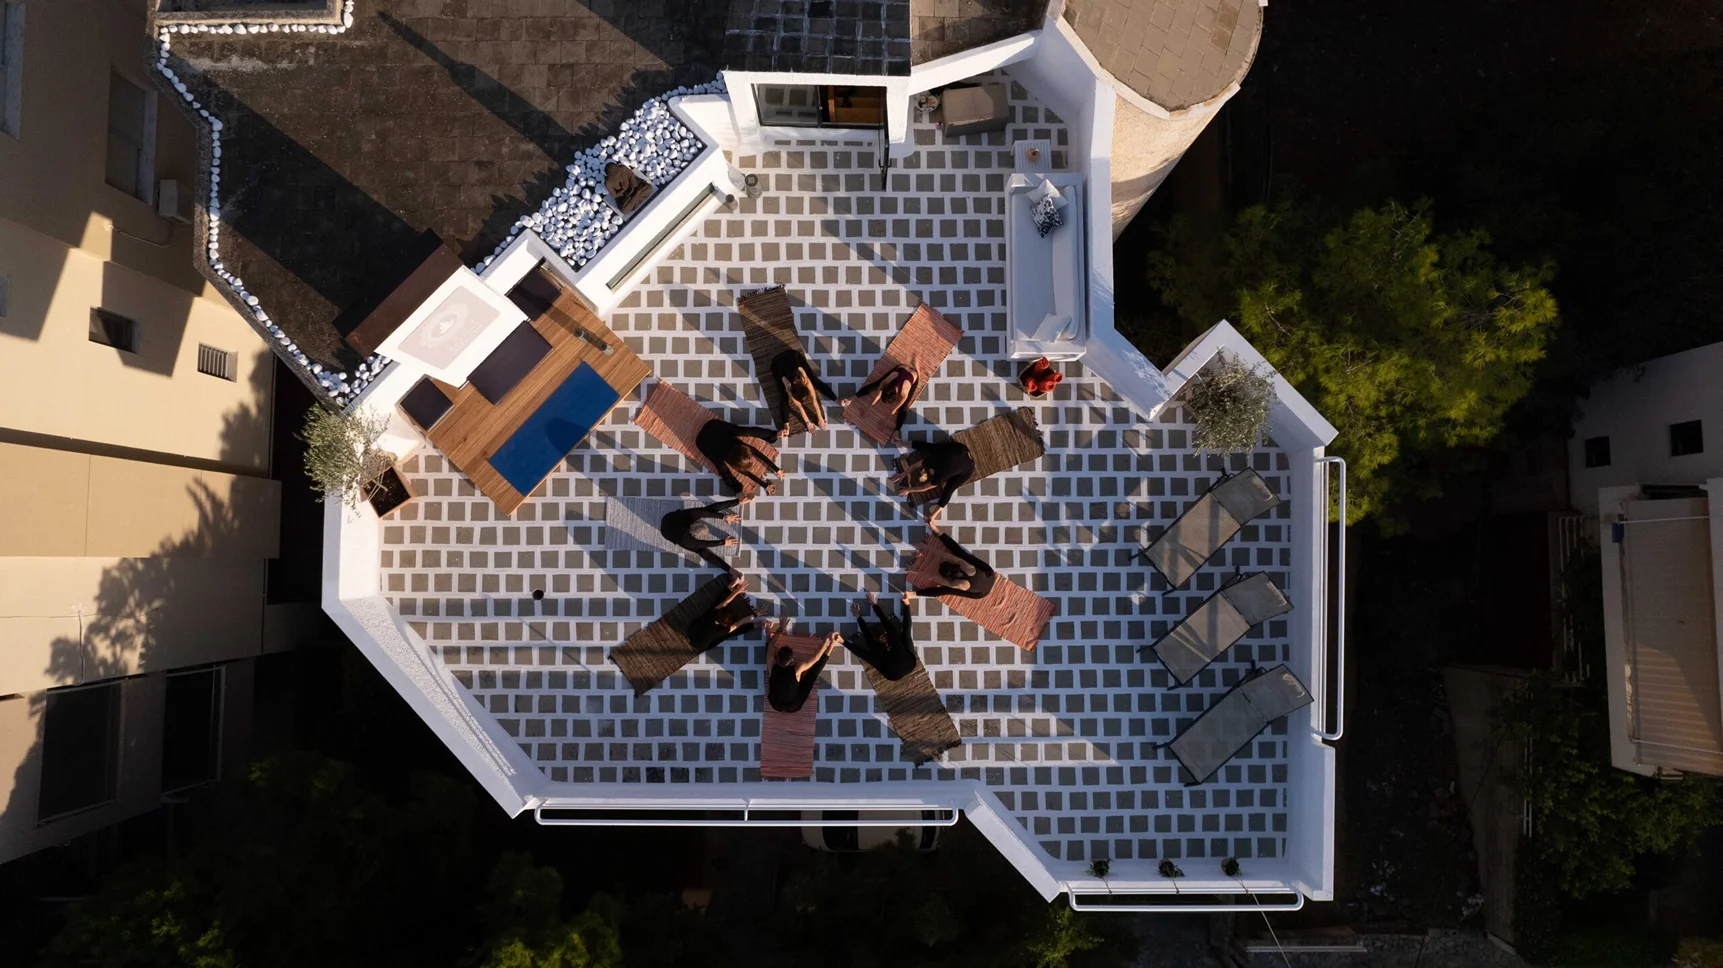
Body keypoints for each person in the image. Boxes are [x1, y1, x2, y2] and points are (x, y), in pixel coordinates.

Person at [888, 439, 973, 528]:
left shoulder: (943, 475)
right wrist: (902, 475)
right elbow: (917, 465)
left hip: (967, 468)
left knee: (949, 490)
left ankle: (933, 517)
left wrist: (909, 490)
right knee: (931, 448)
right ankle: (902, 443)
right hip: (959, 449)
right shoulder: (938, 459)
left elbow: (925, 487)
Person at [765, 622, 838, 714]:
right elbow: (816, 657)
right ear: (792, 660)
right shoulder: (797, 669)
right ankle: (832, 645)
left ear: (777, 657)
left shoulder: (772, 666)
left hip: (775, 704)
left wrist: (781, 628)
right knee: (811, 675)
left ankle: (832, 645)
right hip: (792, 705)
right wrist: (826, 640)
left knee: (768, 655)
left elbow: (770, 645)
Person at [695, 418, 780, 496]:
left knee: (743, 431)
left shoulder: (739, 452)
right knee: (720, 465)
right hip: (702, 441)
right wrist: (739, 491)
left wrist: (776, 469)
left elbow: (750, 432)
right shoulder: (721, 460)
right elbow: (728, 475)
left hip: (712, 426)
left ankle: (772, 435)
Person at [845, 589, 917, 681]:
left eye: (881, 637)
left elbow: (861, 652)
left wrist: (858, 617)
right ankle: (907, 604)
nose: (882, 637)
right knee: (906, 636)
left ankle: (907, 604)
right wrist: (873, 604)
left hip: (892, 674)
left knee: (868, 656)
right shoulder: (893, 636)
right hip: (909, 664)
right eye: (882, 636)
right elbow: (886, 621)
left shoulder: (875, 648)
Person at [658, 497, 741, 572]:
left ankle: (738, 501)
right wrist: (723, 542)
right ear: (693, 535)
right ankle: (729, 569)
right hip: (666, 531)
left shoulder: (690, 515)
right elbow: (704, 544)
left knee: (705, 511)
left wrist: (724, 517)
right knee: (700, 550)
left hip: (668, 518)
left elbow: (705, 513)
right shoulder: (686, 540)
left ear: (697, 522)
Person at [906, 533, 996, 601]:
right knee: (961, 554)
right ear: (954, 564)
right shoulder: (964, 565)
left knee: (947, 590)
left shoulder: (954, 584)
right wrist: (925, 547)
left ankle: (914, 594)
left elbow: (933, 577)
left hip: (980, 593)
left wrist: (916, 570)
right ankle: (938, 532)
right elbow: (943, 554)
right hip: (989, 574)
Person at [686, 574, 760, 655]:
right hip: (702, 644)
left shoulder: (712, 616)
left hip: (695, 630)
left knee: (713, 608)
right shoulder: (722, 630)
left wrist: (737, 591)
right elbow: (738, 623)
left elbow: (725, 603)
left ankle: (729, 588)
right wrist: (754, 615)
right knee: (733, 632)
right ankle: (756, 625)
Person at [771, 350, 838, 434]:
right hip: (777, 361)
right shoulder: (788, 386)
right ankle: (786, 424)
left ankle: (835, 399)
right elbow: (800, 407)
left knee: (814, 380)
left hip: (792, 354)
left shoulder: (804, 379)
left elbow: (814, 400)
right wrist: (808, 423)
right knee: (783, 395)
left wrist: (820, 418)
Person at [844, 365, 917, 440]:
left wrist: (886, 420)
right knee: (877, 384)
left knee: (904, 407)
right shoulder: (888, 381)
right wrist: (868, 408)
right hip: (902, 369)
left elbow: (895, 408)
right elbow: (878, 394)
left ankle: (897, 431)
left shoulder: (904, 392)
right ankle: (851, 398)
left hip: (912, 374)